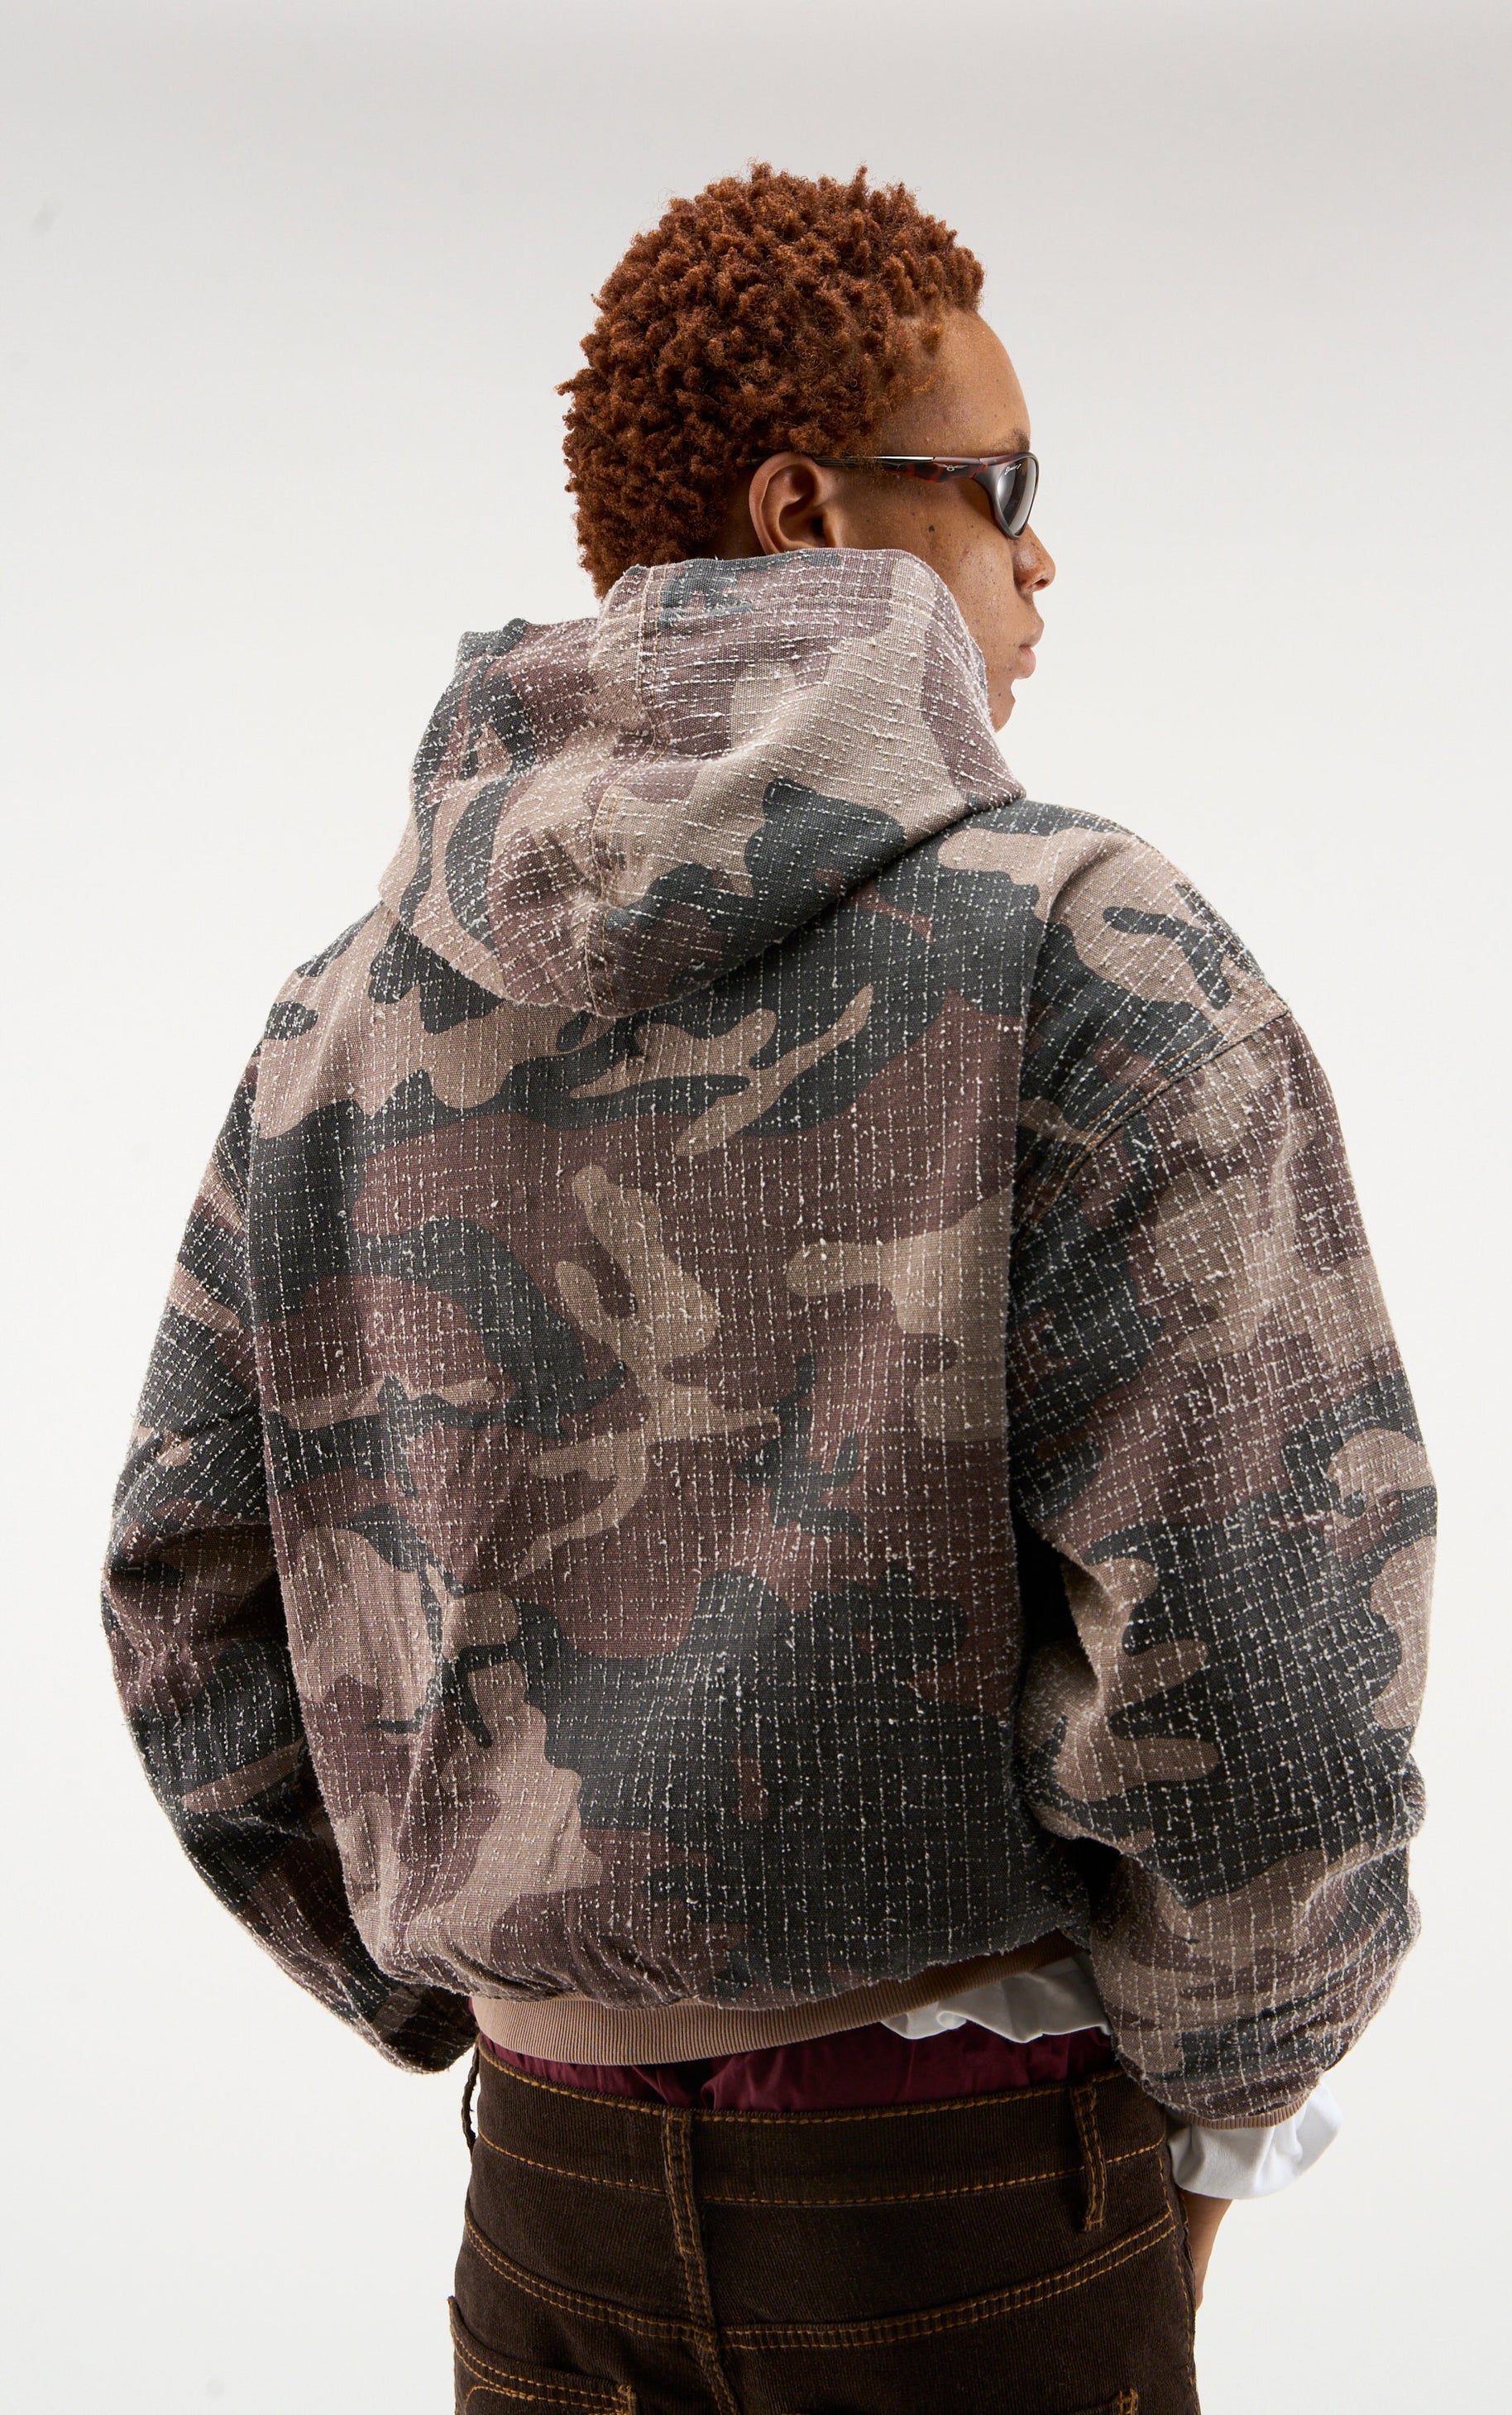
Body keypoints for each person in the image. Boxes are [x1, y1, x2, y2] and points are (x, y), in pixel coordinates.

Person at [103, 165, 1434, 2413]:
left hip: (543, 2213)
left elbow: (184, 1586)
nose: (1041, 562)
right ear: (807, 507)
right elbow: (1264, 1640)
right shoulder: (1079, 957)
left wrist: (487, 1978)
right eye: (1005, 490)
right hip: (975, 2208)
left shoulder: (347, 1014)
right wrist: (1225, 2104)